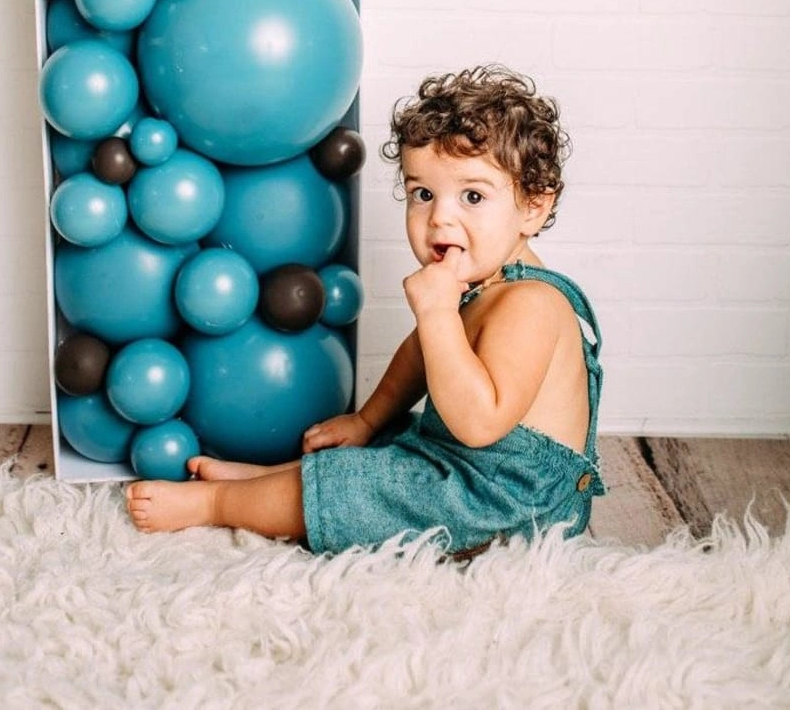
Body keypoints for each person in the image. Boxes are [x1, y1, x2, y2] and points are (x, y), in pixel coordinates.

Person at [126, 65, 605, 553]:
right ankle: (267, 481)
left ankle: (215, 505)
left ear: (533, 208)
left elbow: (479, 426)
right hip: (467, 470)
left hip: (513, 507)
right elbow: (421, 358)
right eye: (423, 194)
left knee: (370, 487)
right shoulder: (478, 286)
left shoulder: (532, 304)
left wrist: (439, 314)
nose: (440, 217)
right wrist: (368, 421)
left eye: (473, 196)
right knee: (394, 440)